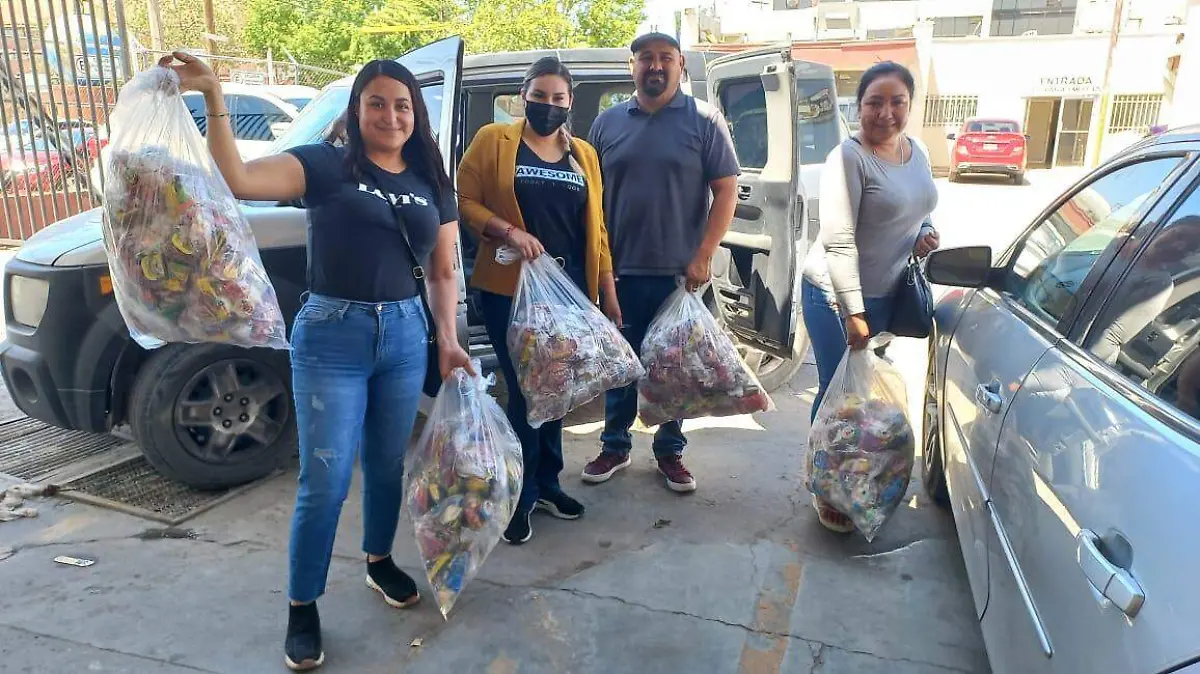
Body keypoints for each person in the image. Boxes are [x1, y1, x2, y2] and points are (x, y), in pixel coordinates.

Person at [158, 52, 473, 670]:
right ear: (357, 110)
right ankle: (303, 604)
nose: (391, 116)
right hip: (333, 338)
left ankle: (379, 560)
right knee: (325, 480)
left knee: (386, 464)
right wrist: (215, 97)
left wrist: (446, 338)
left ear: (417, 114)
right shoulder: (325, 165)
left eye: (402, 105)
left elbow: (442, 270)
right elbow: (238, 180)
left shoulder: (432, 180)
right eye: (377, 103)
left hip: (405, 336)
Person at [457, 57, 621, 545]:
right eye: (539, 96)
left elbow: (598, 231)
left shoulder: (583, 154)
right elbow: (464, 200)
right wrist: (508, 230)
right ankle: (519, 493)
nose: (548, 105)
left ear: (570, 102)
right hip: (510, 289)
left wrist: (608, 295)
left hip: (569, 294)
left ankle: (548, 483)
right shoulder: (494, 140)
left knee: (557, 390)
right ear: (522, 96)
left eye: (558, 98)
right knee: (527, 391)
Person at [583, 32, 740, 493]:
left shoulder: (704, 121)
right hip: (618, 271)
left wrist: (703, 255)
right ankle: (615, 445)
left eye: (665, 58)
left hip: (680, 274)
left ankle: (670, 452)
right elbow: (590, 198)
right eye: (646, 58)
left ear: (680, 65)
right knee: (620, 364)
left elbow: (726, 190)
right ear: (631, 66)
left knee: (676, 368)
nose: (655, 66)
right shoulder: (607, 123)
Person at [800, 61, 940, 533]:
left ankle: (858, 480)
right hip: (835, 296)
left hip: (886, 293)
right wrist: (854, 314)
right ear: (857, 107)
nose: (886, 113)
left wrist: (924, 232)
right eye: (874, 102)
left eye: (897, 101)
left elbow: (920, 207)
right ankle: (827, 487)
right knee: (839, 397)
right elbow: (839, 242)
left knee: (866, 401)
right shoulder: (848, 158)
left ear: (910, 104)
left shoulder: (916, 150)